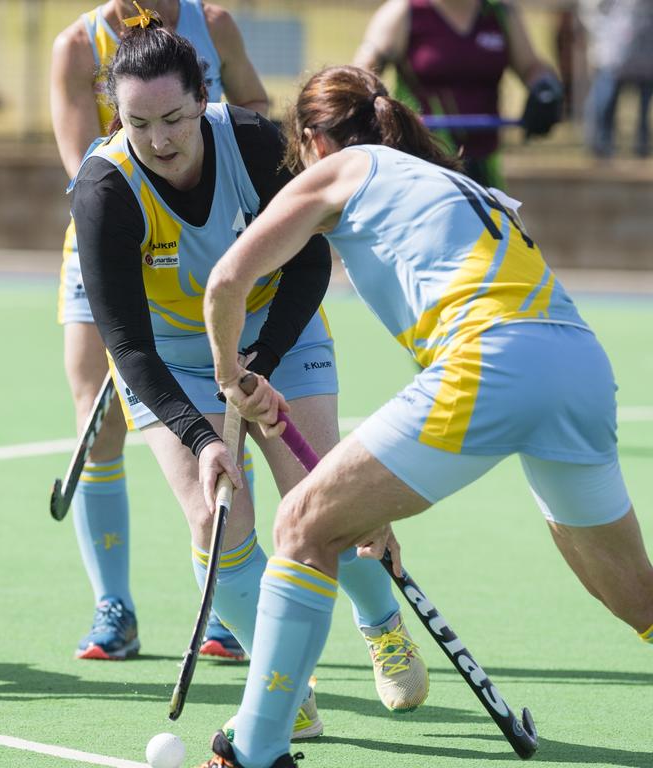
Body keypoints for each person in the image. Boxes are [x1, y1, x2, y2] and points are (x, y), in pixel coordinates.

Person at [198, 64, 653, 768]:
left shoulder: (341, 168)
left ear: (315, 141)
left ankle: (253, 753)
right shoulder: (457, 184)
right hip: (577, 365)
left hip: (491, 363)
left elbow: (228, 279)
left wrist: (232, 376)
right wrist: (365, 498)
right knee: (635, 599)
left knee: (300, 524)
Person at [71, 20, 431, 740]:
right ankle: (285, 682)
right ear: (118, 116)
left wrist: (256, 366)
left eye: (174, 118)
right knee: (214, 518)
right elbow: (127, 345)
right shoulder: (105, 189)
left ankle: (382, 622)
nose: (161, 139)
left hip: (277, 331)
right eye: (139, 123)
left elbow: (305, 265)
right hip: (174, 359)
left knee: (322, 497)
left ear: (202, 99)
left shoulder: (256, 142)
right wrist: (203, 437)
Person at [50, 0, 268, 662]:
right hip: (116, 231)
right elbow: (79, 161)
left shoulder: (216, 24)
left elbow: (259, 105)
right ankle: (113, 607)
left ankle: (223, 604)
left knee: (224, 405)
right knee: (99, 416)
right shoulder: (77, 44)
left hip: (208, 226)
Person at [354, 0, 563, 188]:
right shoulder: (404, 12)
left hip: (484, 169)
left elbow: (531, 67)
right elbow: (362, 73)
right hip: (420, 166)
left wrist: (545, 87)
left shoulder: (500, 15)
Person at [579, 0, 653, 158]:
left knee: (644, 107)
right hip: (612, 54)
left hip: (645, 53)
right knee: (606, 101)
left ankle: (642, 147)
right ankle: (601, 145)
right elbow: (592, 11)